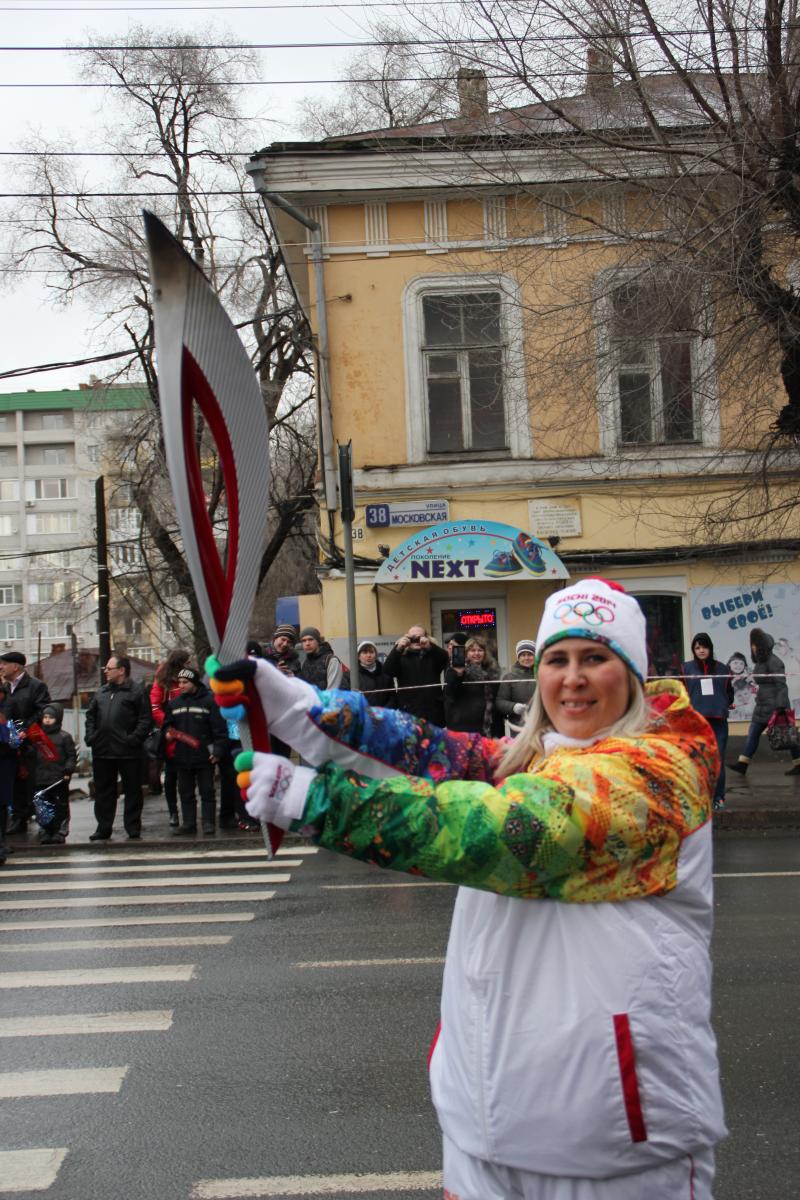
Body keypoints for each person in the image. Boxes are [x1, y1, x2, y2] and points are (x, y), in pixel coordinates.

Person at [211, 577, 725, 1199]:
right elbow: (435, 754)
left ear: (634, 673)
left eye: (596, 657)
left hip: (614, 1142)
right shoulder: (543, 756)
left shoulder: (659, 774)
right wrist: (289, 702)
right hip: (484, 1123)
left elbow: (502, 830)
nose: (573, 677)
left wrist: (314, 799)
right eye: (558, 659)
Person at [84, 654, 151, 841]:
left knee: (132, 790)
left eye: (109, 668)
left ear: (121, 670)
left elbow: (145, 720)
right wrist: (91, 737)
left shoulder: (136, 692)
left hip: (128, 752)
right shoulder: (101, 692)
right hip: (103, 751)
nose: (105, 671)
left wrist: (133, 739)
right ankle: (103, 828)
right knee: (104, 791)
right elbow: (91, 716)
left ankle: (132, 827)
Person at [729, 627, 800, 776]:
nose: (753, 648)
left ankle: (798, 764)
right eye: (752, 645)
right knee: (756, 732)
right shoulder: (761, 662)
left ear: (762, 646)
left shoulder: (775, 661)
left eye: (756, 645)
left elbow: (781, 684)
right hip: (763, 704)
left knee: (787, 735)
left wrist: (780, 706)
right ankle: (742, 763)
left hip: (775, 706)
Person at [0, 650, 51, 839]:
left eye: (4, 664)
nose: (1, 667)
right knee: (13, 783)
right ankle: (19, 819)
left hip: (30, 743)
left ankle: (44, 823)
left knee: (33, 783)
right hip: (9, 745)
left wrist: (25, 730)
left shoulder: (36, 686)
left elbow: (42, 711)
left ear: (16, 666)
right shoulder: (5, 688)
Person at [683, 633, 733, 809]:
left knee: (717, 760)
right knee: (698, 761)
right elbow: (681, 694)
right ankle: (700, 798)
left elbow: (730, 692)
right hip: (697, 723)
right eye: (697, 647)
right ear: (693, 650)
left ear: (710, 648)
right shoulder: (686, 669)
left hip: (718, 722)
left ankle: (718, 797)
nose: (701, 650)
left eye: (704, 647)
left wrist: (724, 704)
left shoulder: (723, 669)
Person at [150, 647, 191, 828]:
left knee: (187, 777)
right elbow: (155, 706)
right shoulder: (163, 681)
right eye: (188, 662)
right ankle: (173, 811)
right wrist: (169, 727)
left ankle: (187, 812)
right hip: (171, 735)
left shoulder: (187, 680)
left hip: (188, 732)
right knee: (172, 775)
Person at [383, 624, 449, 725]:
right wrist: (398, 648)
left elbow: (445, 658)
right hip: (409, 712)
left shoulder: (433, 655)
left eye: (420, 637)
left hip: (433, 713)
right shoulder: (400, 657)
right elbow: (388, 670)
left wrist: (430, 647)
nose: (416, 640)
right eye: (412, 638)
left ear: (427, 638)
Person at [33, 703, 77, 844]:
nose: (46, 720)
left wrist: (68, 769)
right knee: (43, 807)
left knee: (60, 806)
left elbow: (71, 756)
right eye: (45, 717)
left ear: (57, 719)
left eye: (50, 717)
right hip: (41, 778)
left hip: (58, 778)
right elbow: (32, 755)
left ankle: (60, 831)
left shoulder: (64, 737)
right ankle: (45, 831)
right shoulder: (38, 736)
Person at [443, 635, 502, 735]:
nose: (476, 653)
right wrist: (459, 674)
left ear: (485, 652)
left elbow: (496, 699)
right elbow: (450, 694)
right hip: (464, 727)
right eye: (472, 650)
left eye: (480, 650)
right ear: (466, 652)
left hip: (488, 725)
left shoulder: (493, 671)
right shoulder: (454, 670)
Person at [495, 638, 536, 735]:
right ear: (518, 657)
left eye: (530, 654)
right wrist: (513, 707)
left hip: (540, 724)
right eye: (523, 655)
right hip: (519, 726)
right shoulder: (509, 677)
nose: (526, 658)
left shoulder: (543, 674)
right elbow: (500, 701)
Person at [355, 640, 395, 706]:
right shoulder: (350, 675)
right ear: (358, 656)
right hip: (362, 714)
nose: (368, 655)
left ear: (376, 655)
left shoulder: (386, 673)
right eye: (365, 652)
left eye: (371, 652)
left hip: (383, 714)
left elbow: (392, 697)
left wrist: (383, 712)